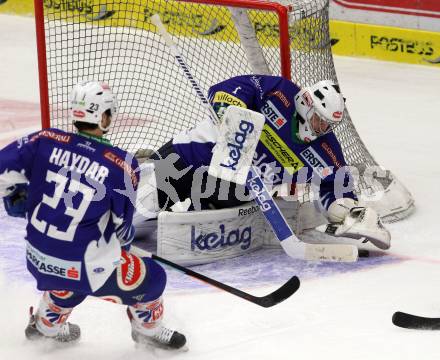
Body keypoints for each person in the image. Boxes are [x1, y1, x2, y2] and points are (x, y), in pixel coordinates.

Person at [0, 81, 186, 349]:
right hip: (85, 269)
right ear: (104, 116)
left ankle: (45, 325)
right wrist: (124, 243)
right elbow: (122, 231)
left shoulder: (45, 140)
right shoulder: (121, 163)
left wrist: (14, 195)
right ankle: (148, 331)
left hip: (37, 259)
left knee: (69, 267)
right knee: (154, 277)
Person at [142, 75, 390, 250]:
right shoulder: (278, 92)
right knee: (142, 203)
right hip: (191, 155)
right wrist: (232, 112)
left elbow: (335, 189)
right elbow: (225, 91)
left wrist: (350, 212)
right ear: (306, 105)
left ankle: (203, 214)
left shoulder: (326, 150)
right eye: (319, 120)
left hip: (231, 189)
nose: (322, 129)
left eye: (328, 125)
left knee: (230, 195)